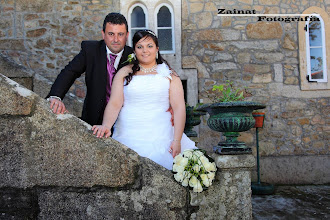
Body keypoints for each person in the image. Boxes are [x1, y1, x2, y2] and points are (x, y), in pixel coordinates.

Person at [92, 30, 197, 170]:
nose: (145, 51)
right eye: (140, 47)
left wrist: (176, 140)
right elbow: (115, 103)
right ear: (134, 50)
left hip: (161, 133)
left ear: (157, 49)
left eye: (149, 46)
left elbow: (179, 108)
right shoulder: (124, 73)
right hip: (129, 132)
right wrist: (105, 126)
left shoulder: (170, 75)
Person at [46, 13, 134, 125]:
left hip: (125, 122)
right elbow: (70, 72)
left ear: (127, 35)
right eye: (111, 34)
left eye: (120, 34)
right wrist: (55, 96)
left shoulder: (134, 56)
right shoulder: (90, 50)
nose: (116, 39)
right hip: (93, 120)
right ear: (103, 34)